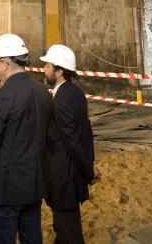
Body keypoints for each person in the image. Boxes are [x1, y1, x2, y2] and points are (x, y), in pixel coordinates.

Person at [0, 33, 51, 244]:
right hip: (33, 184)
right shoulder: (42, 91)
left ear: (5, 63)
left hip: (6, 189)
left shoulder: (3, 95)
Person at [40, 44, 98, 244]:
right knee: (64, 229)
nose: (44, 69)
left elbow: (72, 140)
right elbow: (86, 132)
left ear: (59, 71)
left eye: (47, 66)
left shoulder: (62, 99)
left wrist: (89, 171)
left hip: (64, 175)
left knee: (69, 231)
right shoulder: (75, 93)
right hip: (70, 173)